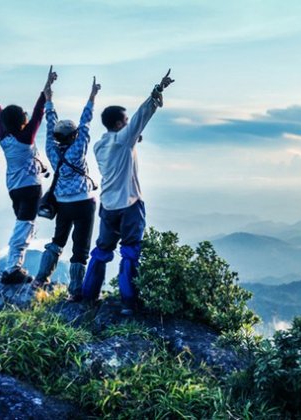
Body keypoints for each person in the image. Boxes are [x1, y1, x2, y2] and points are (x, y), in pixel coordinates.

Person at [81, 69, 175, 315]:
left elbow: (127, 136)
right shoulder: (123, 140)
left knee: (102, 250)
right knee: (131, 251)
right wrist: (157, 91)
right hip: (129, 204)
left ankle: (88, 295)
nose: (127, 123)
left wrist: (134, 138)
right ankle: (129, 302)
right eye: (124, 121)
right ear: (118, 124)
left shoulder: (101, 145)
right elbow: (140, 118)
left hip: (108, 206)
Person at [33, 75, 102, 299]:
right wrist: (92, 96)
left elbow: (50, 123)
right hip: (84, 203)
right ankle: (75, 292)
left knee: (58, 240)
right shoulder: (78, 148)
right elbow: (86, 122)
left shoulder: (51, 150)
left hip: (62, 204)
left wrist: (49, 98)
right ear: (74, 136)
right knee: (80, 249)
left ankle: (41, 278)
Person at [0, 67, 56, 284]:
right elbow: (38, 113)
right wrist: (46, 90)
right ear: (22, 121)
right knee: (25, 226)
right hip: (30, 189)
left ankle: (14, 265)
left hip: (14, 189)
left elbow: (0, 116)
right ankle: (13, 269)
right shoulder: (26, 138)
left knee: (24, 223)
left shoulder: (4, 136)